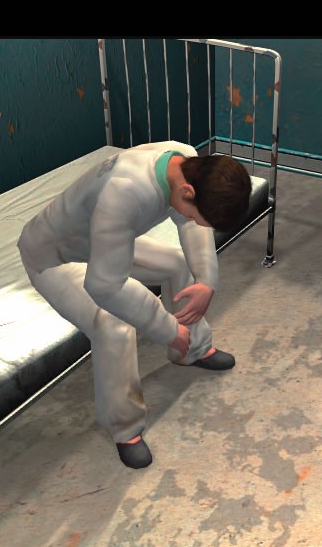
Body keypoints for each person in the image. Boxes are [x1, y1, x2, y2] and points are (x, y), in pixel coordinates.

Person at [18, 141, 252, 470]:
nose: (193, 221)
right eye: (195, 215)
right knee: (112, 325)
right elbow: (104, 285)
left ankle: (194, 349)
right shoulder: (125, 192)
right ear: (187, 192)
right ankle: (125, 427)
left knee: (176, 265)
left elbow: (188, 223)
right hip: (54, 255)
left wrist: (206, 281)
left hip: (99, 240)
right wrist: (168, 329)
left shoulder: (184, 160)